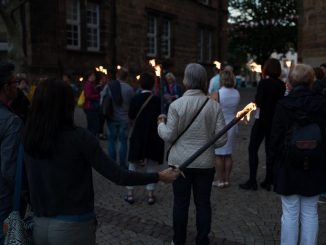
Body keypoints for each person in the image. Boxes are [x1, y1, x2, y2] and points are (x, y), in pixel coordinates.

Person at [23, 79, 179, 245]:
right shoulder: (79, 138)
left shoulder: (28, 137)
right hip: (73, 226)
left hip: (39, 226)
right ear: (67, 105)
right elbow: (118, 175)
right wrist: (157, 176)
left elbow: (23, 184)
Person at [158, 63, 227, 245]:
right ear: (204, 80)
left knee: (181, 204)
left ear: (186, 80)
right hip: (205, 164)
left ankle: (178, 241)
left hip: (180, 164)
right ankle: (202, 241)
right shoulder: (214, 106)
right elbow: (221, 140)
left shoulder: (176, 105)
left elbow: (168, 135)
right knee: (203, 204)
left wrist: (160, 124)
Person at [271, 64, 326, 245]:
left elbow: (275, 140)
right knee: (310, 211)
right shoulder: (321, 104)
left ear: (291, 82)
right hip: (315, 163)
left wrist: (274, 167)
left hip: (288, 165)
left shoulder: (283, 105)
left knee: (290, 213)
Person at [239, 58, 286, 191]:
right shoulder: (281, 85)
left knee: (253, 149)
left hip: (261, 120)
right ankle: (269, 180)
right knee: (270, 151)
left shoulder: (264, 83)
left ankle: (252, 180)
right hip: (274, 122)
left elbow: (258, 102)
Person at [125, 73, 164, 205]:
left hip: (138, 135)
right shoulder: (158, 100)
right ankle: (150, 195)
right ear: (153, 84)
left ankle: (130, 193)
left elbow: (130, 116)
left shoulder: (135, 99)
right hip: (153, 136)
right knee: (151, 166)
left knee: (132, 165)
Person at [0, 62, 23, 245]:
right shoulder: (12, 122)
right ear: (6, 87)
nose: (18, 86)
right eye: (15, 82)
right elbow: (9, 170)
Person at [212, 70, 240, 188]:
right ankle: (227, 179)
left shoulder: (217, 94)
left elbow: (212, 111)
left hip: (219, 126)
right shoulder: (237, 93)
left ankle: (220, 180)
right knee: (228, 154)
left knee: (219, 155)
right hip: (232, 125)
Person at [106, 68, 134, 169]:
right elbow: (132, 105)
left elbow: (103, 100)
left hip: (112, 118)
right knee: (123, 142)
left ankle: (111, 164)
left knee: (111, 141)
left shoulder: (109, 86)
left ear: (117, 75)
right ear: (126, 77)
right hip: (125, 119)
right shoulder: (130, 89)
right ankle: (122, 164)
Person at [83, 69, 100, 135]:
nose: (95, 77)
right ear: (90, 76)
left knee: (92, 126)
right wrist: (99, 95)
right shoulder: (88, 84)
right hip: (90, 107)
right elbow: (88, 96)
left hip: (90, 107)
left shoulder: (90, 84)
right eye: (93, 75)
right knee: (93, 126)